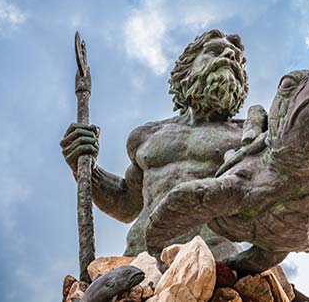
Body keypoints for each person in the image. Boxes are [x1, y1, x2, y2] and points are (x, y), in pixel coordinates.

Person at [61, 29, 262, 257]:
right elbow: (126, 204)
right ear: (187, 69)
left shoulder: (249, 136)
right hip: (141, 262)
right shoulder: (146, 136)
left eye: (237, 59)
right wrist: (87, 167)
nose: (229, 58)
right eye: (215, 51)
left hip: (216, 260)